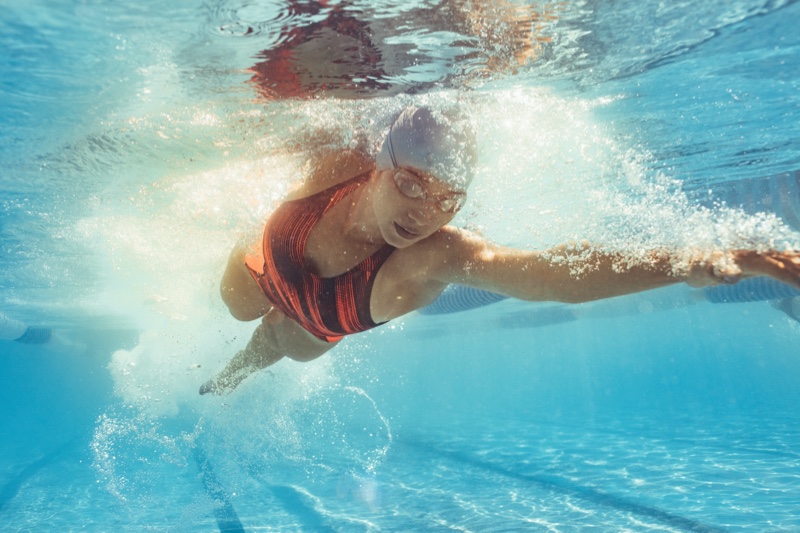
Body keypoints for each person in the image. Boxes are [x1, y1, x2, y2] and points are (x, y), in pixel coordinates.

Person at [200, 105, 800, 395]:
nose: (423, 214)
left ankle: (223, 383)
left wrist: (689, 262)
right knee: (235, 306)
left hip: (310, 326)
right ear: (377, 167)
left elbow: (550, 277)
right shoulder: (338, 161)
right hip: (260, 267)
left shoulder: (435, 256)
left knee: (268, 346)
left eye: (446, 200)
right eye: (411, 184)